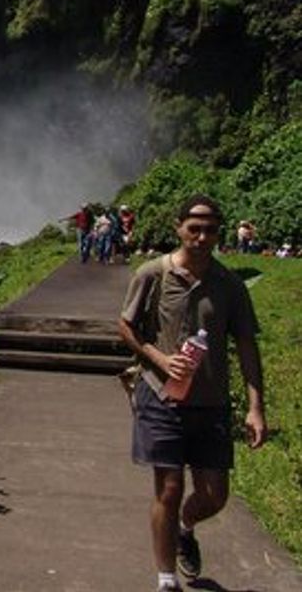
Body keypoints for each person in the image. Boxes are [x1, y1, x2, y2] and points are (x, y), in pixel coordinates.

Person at [117, 194, 267, 592]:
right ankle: (166, 579)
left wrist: (256, 409)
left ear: (220, 233)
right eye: (194, 228)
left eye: (210, 230)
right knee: (169, 488)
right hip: (160, 396)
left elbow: (248, 346)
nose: (202, 237)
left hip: (212, 403)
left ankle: (186, 528)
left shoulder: (230, 286)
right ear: (178, 228)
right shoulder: (152, 274)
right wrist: (159, 360)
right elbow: (126, 327)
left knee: (215, 495)